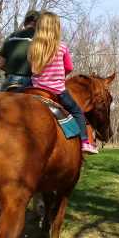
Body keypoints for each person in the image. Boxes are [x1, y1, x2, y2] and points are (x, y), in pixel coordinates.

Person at [27, 11, 98, 154]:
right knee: (77, 111)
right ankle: (84, 142)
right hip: (58, 91)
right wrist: (60, 75)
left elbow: (32, 68)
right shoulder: (62, 47)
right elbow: (69, 67)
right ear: (56, 28)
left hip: (35, 89)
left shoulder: (33, 47)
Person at [0, 10, 40, 91]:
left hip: (9, 81)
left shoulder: (11, 37)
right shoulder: (39, 39)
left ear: (25, 22)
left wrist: (12, 70)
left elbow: (1, 64)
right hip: (29, 82)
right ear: (38, 24)